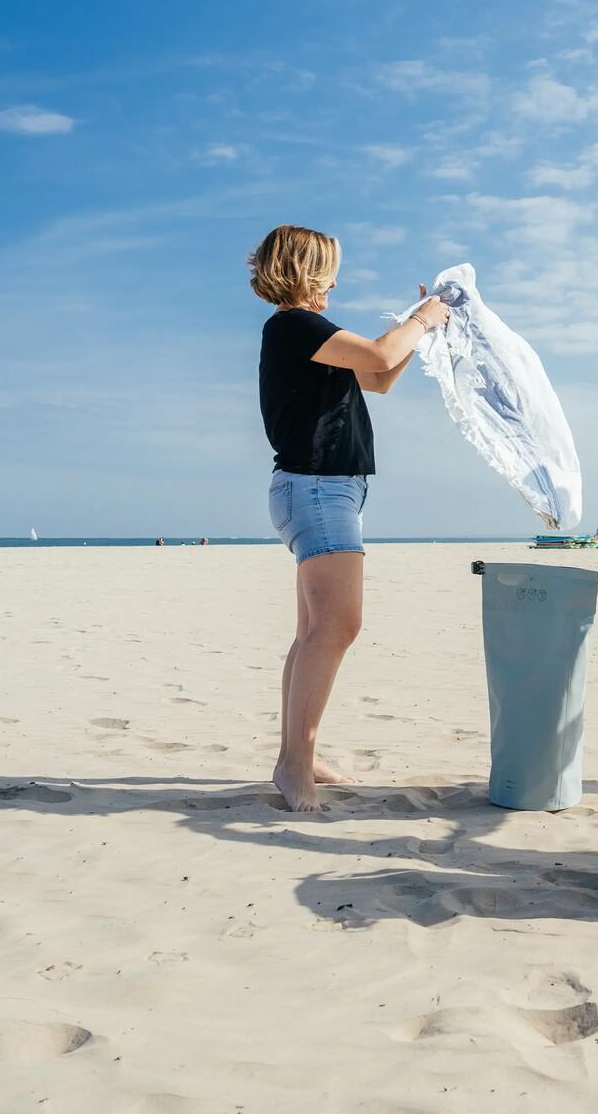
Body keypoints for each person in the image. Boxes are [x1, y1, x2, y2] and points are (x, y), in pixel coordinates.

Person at [253, 224, 450, 811]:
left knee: (315, 632)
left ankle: (298, 756)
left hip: (317, 490)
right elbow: (383, 351)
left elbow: (379, 377)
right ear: (308, 272)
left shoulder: (307, 334)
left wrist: (422, 329)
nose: (337, 281)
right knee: (338, 627)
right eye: (331, 269)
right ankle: (293, 764)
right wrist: (423, 319)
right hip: (317, 491)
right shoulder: (294, 324)